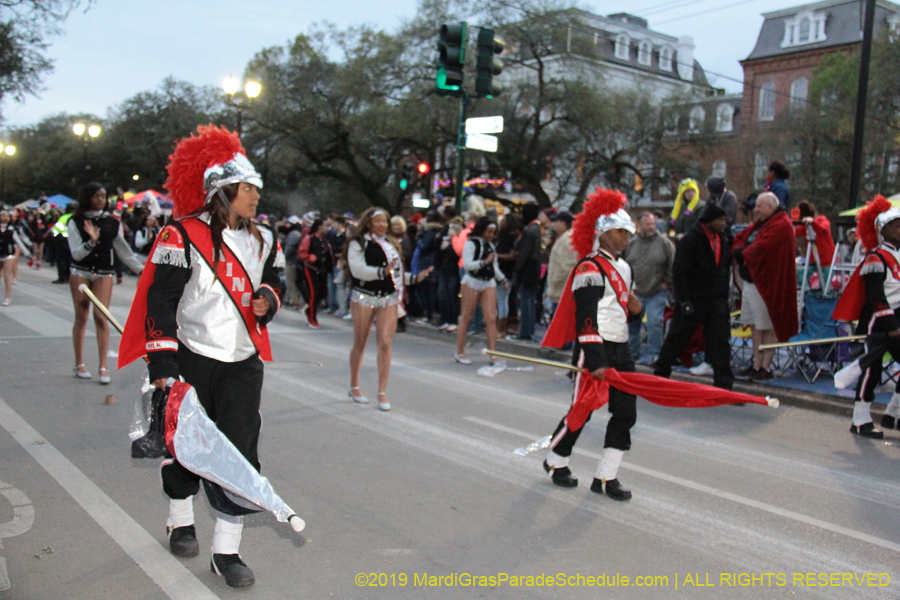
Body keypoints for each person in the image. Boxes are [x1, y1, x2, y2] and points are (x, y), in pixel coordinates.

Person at [120, 125, 282, 587]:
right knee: (185, 447)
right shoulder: (181, 235)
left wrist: (267, 298)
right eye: (249, 189)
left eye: (256, 189)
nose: (256, 197)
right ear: (224, 191)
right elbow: (161, 302)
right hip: (192, 356)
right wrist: (163, 367)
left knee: (239, 453)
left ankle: (226, 552)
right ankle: (179, 517)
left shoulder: (265, 239)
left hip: (242, 361)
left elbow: (276, 282)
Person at [541, 189, 642, 500]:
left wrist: (638, 309)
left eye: (628, 232)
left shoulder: (625, 267)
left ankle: (606, 476)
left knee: (625, 413)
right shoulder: (589, 267)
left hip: (621, 346)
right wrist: (596, 360)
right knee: (583, 409)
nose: (626, 237)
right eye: (620, 231)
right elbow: (586, 320)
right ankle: (556, 461)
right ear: (602, 233)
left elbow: (628, 309)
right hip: (594, 348)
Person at [833, 196, 900, 439]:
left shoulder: (898, 256)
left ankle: (894, 414)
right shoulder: (876, 257)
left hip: (897, 317)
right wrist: (891, 325)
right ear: (884, 231)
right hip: (878, 320)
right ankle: (860, 419)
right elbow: (876, 295)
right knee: (871, 370)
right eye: (897, 226)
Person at [68, 183, 144, 384]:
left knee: (102, 317)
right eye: (97, 196)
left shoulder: (112, 223)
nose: (101, 200)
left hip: (104, 273)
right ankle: (79, 362)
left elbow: (124, 250)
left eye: (103, 196)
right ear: (88, 198)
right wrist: (91, 242)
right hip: (80, 272)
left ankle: (103, 366)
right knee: (81, 317)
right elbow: (75, 253)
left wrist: (141, 270)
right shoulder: (75, 221)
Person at [654, 205, 734, 390]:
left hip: (716, 301)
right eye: (720, 220)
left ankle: (724, 385)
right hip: (693, 299)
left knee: (720, 342)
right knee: (677, 339)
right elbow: (680, 272)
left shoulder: (722, 239)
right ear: (709, 221)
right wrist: (683, 300)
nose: (724, 224)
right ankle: (659, 377)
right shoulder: (690, 241)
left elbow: (724, 270)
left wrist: (724, 297)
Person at [732, 192, 798, 380]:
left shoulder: (781, 225)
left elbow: (762, 247)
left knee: (768, 326)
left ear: (770, 206)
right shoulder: (762, 224)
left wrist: (743, 254)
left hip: (768, 285)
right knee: (755, 325)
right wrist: (739, 251)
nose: (756, 210)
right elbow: (742, 238)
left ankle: (765, 367)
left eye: (759, 206)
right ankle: (756, 364)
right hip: (752, 283)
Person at [346, 208, 405, 411]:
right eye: (378, 221)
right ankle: (354, 385)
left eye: (385, 222)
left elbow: (396, 271)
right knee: (360, 341)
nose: (382, 225)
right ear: (369, 223)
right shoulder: (358, 243)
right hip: (363, 295)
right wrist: (381, 271)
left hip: (387, 297)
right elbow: (357, 269)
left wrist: (413, 278)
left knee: (385, 344)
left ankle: (382, 391)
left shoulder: (391, 244)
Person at [454, 217, 508, 364]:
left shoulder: (490, 245)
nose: (491, 235)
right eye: (489, 231)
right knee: (466, 316)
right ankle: (459, 351)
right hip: (471, 281)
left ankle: (493, 354)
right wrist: (484, 262)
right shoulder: (470, 243)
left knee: (491, 318)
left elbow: (494, 267)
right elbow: (468, 265)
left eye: (493, 232)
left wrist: (503, 280)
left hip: (488, 281)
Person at [622, 211, 673, 365]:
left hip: (656, 290)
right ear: (640, 226)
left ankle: (655, 354)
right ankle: (633, 353)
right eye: (647, 224)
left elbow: (673, 263)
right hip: (636, 291)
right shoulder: (631, 244)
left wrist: (667, 281)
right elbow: (623, 264)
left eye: (653, 224)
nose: (651, 227)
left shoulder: (664, 244)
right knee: (632, 324)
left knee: (654, 322)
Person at [509, 203, 542, 341]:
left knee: (525, 300)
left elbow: (524, 253)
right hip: (534, 266)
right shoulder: (536, 228)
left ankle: (525, 332)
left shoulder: (529, 231)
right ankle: (528, 330)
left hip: (528, 267)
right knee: (529, 299)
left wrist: (517, 269)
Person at [297, 218, 334, 329]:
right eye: (325, 226)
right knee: (314, 293)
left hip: (322, 270)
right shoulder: (309, 239)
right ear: (319, 226)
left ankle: (309, 310)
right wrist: (310, 258)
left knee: (322, 293)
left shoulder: (325, 241)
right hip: (311, 269)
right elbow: (302, 252)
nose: (327, 228)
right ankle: (312, 317)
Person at [545, 210, 576, 317]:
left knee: (557, 324)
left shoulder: (567, 240)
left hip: (561, 293)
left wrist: (553, 283)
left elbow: (566, 267)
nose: (553, 224)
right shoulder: (567, 238)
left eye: (556, 221)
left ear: (562, 223)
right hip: (561, 292)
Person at [495, 213, 521, 335]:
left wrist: (497, 256)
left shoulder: (512, 238)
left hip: (506, 271)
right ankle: (498, 324)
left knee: (502, 299)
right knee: (499, 298)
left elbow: (512, 255)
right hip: (499, 270)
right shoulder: (503, 237)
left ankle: (501, 326)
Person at [0, 211, 30, 306]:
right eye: (3, 216)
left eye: (7, 216)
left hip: (9, 254)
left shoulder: (12, 229)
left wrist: (27, 253)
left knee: (7, 275)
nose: (5, 218)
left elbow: (19, 241)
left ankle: (7, 297)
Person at [795, 200, 835, 268]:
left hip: (827, 260)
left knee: (825, 277)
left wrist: (813, 223)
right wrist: (794, 222)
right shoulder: (804, 227)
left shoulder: (822, 220)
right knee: (800, 272)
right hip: (813, 260)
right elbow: (794, 233)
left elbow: (823, 229)